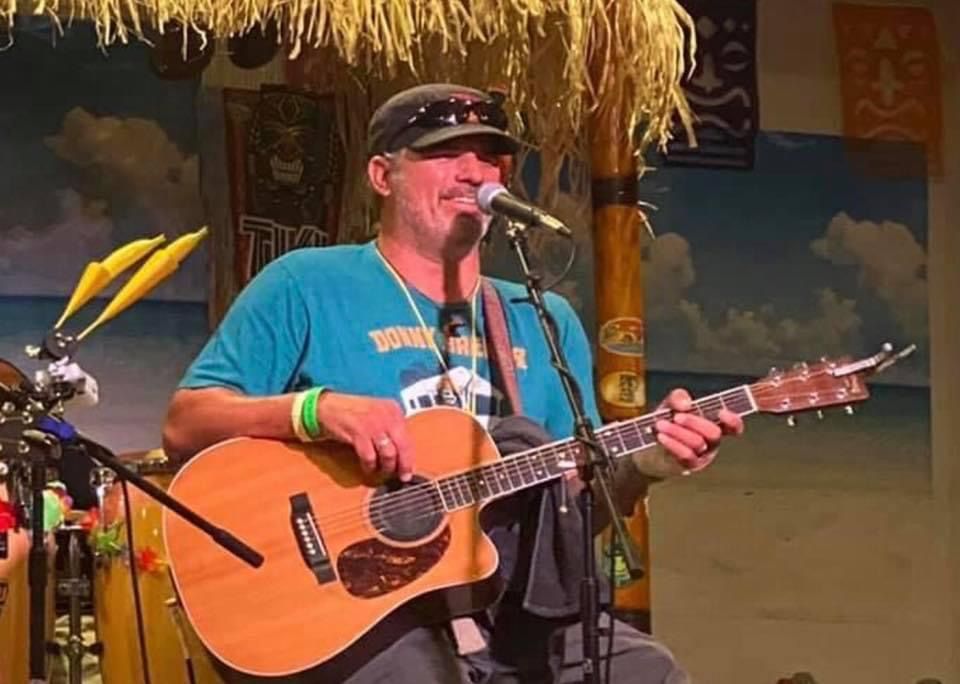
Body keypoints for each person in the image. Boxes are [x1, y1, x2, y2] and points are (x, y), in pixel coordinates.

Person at [163, 83, 744, 683]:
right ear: (382, 175)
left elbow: (570, 511)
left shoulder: (540, 317)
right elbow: (186, 423)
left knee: (647, 670)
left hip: (510, 610)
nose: (473, 171)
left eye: (489, 157)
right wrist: (315, 410)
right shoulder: (306, 284)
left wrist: (644, 465)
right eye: (444, 153)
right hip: (362, 616)